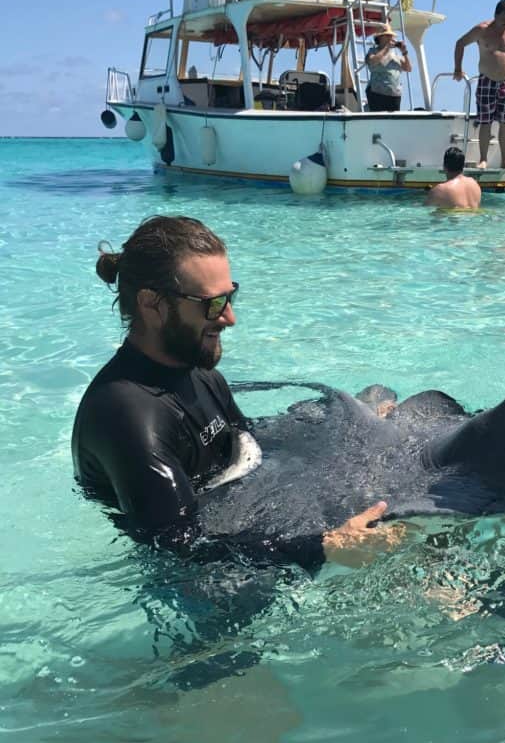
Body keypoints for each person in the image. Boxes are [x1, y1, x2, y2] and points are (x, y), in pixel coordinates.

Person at [71, 215, 388, 565]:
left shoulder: (200, 374)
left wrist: (348, 427)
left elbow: (250, 445)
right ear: (152, 304)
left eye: (230, 296)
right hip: (209, 584)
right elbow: (178, 548)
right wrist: (327, 547)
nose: (230, 318)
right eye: (213, 304)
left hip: (247, 527)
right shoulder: (125, 416)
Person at [453, 0, 505, 169]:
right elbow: (460, 43)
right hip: (486, 80)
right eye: (502, 21)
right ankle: (483, 159)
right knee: (485, 121)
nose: (504, 25)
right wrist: (458, 68)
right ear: (496, 15)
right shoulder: (482, 29)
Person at [364, 23, 412, 112]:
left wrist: (404, 52)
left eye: (391, 35)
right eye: (388, 35)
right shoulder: (373, 51)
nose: (391, 38)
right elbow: (372, 61)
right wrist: (386, 48)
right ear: (380, 37)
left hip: (394, 96)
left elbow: (408, 68)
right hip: (377, 94)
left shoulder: (395, 53)